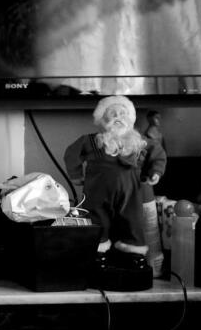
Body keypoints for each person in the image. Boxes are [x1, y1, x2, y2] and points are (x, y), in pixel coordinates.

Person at [64, 95, 165, 256]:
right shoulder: (90, 141)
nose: (118, 117)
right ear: (102, 118)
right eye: (113, 113)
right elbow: (71, 154)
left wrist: (156, 172)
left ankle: (133, 248)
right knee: (96, 217)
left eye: (123, 113)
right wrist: (76, 175)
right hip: (97, 190)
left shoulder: (139, 141)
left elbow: (158, 154)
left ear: (130, 119)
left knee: (134, 219)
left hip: (131, 191)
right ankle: (98, 247)